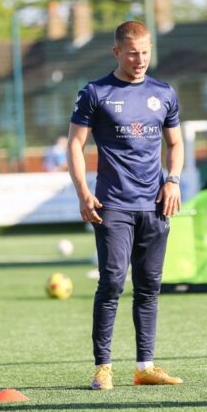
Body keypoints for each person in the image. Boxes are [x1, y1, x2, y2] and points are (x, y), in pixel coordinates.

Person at [67, 21, 184, 391]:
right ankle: (103, 367)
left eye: (145, 52)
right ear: (116, 52)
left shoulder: (163, 93)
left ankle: (144, 367)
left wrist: (173, 180)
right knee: (113, 282)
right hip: (113, 204)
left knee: (149, 286)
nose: (140, 59)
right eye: (133, 53)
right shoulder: (95, 92)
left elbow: (176, 144)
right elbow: (75, 144)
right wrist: (83, 192)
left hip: (154, 205)